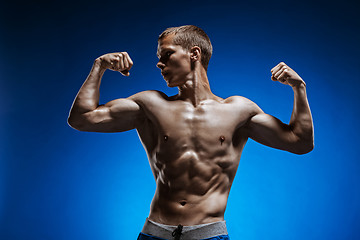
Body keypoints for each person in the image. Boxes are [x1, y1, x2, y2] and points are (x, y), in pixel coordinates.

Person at [68, 25, 314, 240]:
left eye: (167, 54)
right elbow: (81, 119)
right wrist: (99, 67)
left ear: (194, 54)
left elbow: (300, 142)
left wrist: (299, 89)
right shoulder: (150, 106)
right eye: (159, 57)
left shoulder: (238, 110)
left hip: (209, 235)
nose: (159, 63)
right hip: (156, 233)